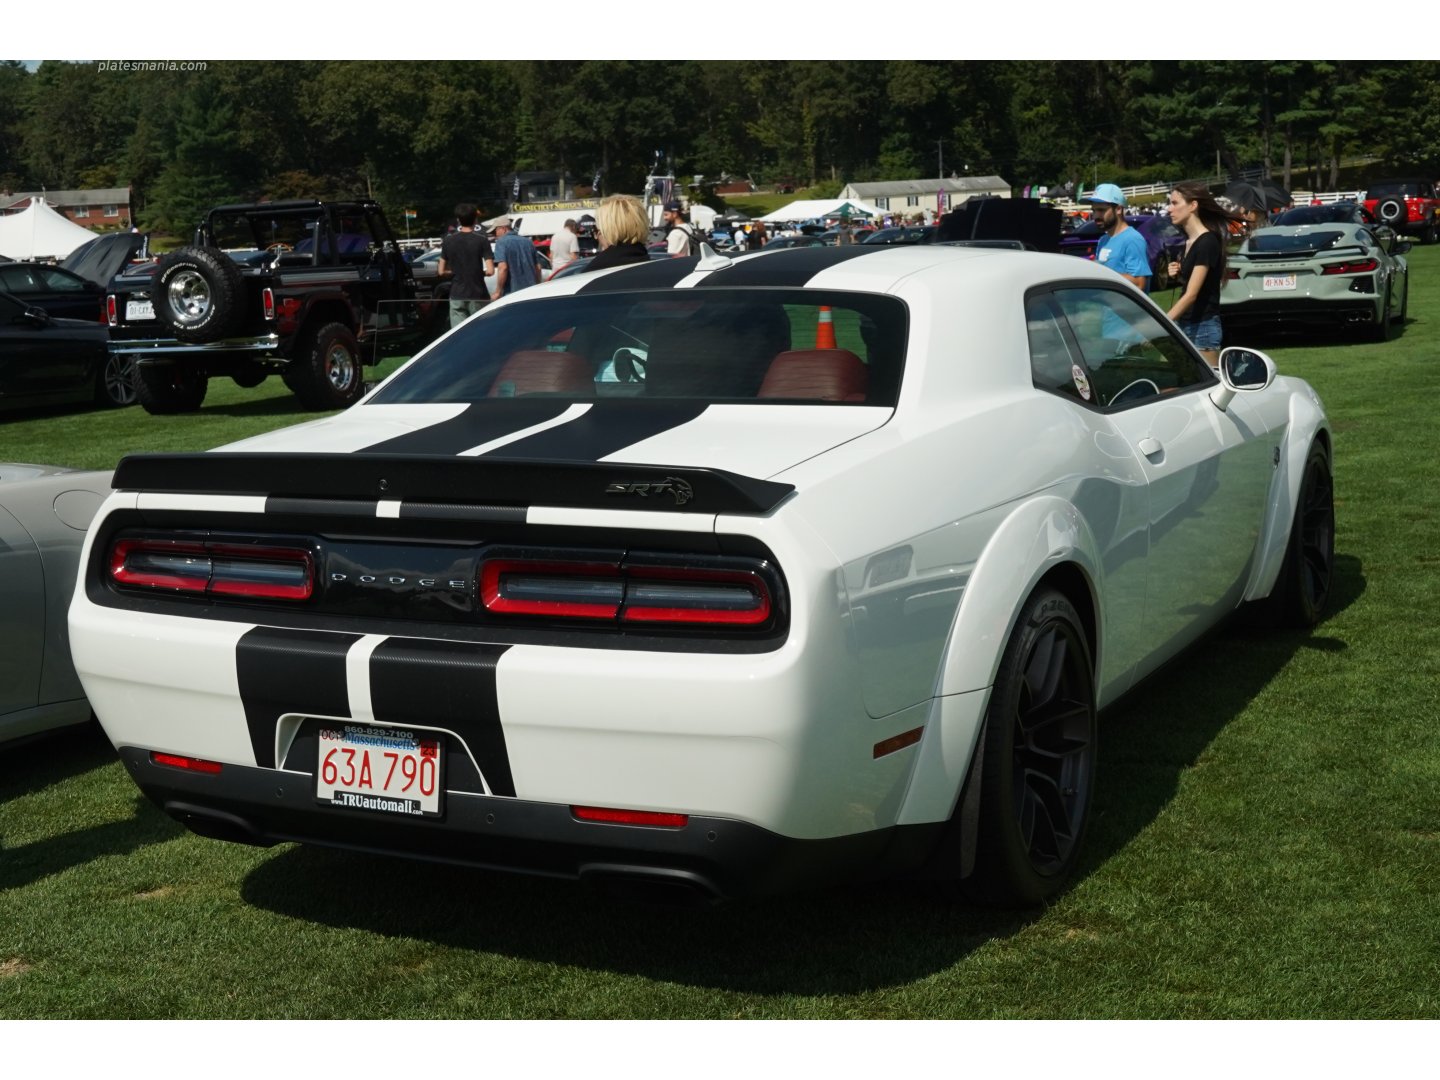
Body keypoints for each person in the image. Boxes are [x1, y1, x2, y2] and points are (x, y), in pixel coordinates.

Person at [1165, 181, 1246, 367]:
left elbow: (1192, 294)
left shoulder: (1207, 241)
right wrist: (1176, 274)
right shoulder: (1189, 242)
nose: (1169, 209)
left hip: (1203, 328)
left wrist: (1163, 323)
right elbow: (1194, 285)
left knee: (1209, 392)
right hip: (1186, 323)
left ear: (1193, 205)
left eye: (1175, 203)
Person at [1083, 182, 1151, 292]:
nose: (1095, 216)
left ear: (1119, 209)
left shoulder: (1133, 239)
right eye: (1094, 210)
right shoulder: (1103, 240)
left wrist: (1102, 274)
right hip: (1107, 308)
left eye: (1101, 210)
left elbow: (1139, 283)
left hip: (1128, 309)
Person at [437, 202, 494, 328]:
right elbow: (490, 271)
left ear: (458, 220)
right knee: (480, 330)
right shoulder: (482, 240)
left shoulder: (448, 241)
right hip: (478, 292)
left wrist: (453, 272)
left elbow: (441, 271)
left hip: (457, 293)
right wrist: (479, 272)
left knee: (459, 333)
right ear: (475, 219)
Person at [584, 194, 651, 272]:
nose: (596, 236)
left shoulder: (595, 271)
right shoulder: (653, 266)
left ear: (608, 229)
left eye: (598, 230)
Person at [491, 216, 541, 298]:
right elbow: (538, 267)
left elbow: (503, 268)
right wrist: (537, 286)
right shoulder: (528, 242)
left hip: (512, 292)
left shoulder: (501, 242)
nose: (495, 234)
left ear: (503, 229)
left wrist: (498, 291)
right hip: (531, 291)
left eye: (495, 231)